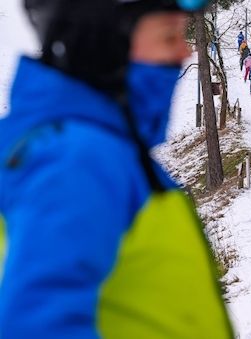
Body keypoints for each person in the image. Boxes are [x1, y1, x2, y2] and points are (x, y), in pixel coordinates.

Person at [0, 1, 234, 338]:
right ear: (105, 46)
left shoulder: (88, 148)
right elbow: (37, 326)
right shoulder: (78, 158)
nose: (184, 53)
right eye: (169, 37)